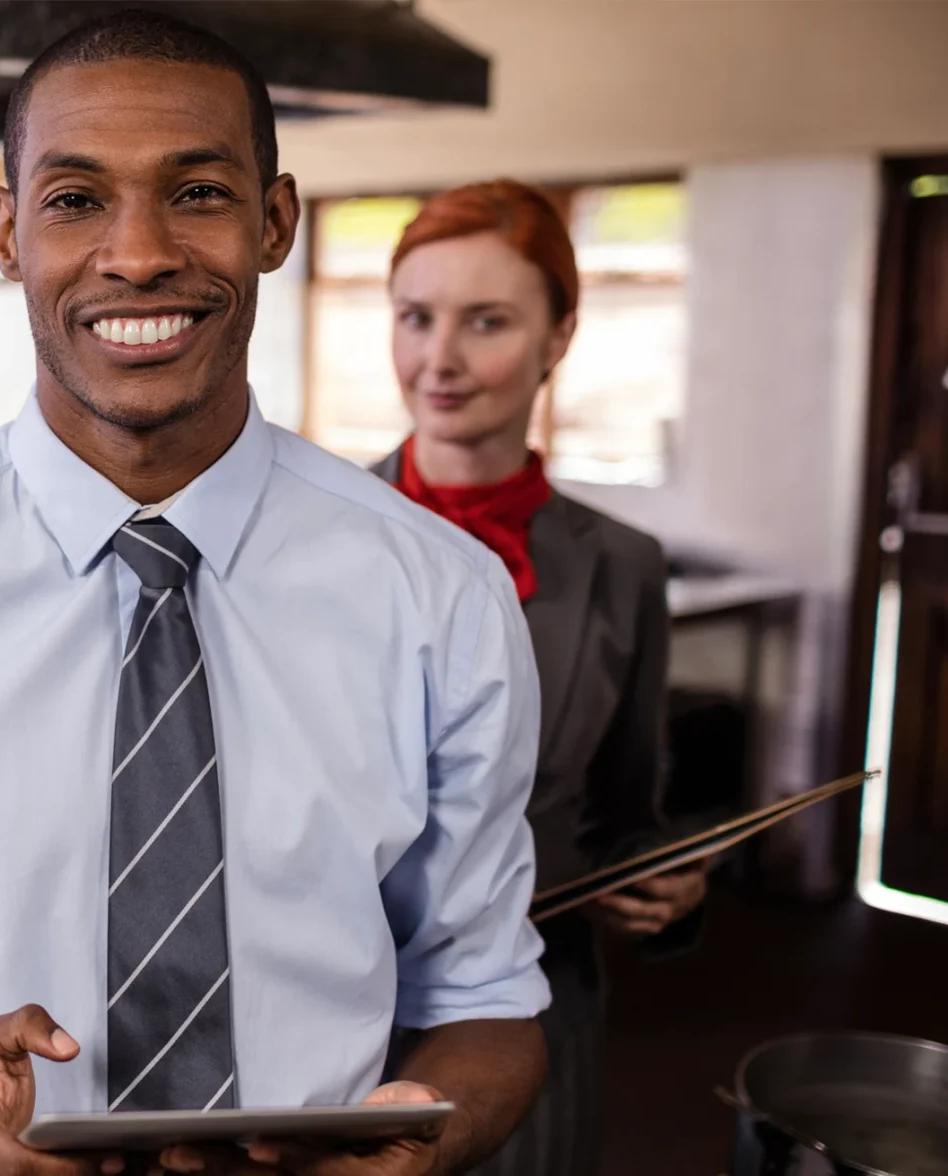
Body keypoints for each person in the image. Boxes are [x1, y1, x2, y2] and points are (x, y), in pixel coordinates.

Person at [0, 12, 552, 1176]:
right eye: (76, 200)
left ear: (274, 221)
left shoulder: (441, 599)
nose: (138, 254)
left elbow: (488, 998)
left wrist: (419, 1145)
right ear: (7, 232)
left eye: (197, 193)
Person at [373, 179, 708, 1176]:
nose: (439, 360)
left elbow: (625, 810)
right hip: (331, 1008)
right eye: (415, 318)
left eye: (487, 323)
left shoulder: (624, 565)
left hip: (535, 1005)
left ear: (559, 338)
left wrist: (666, 884)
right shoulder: (301, 537)